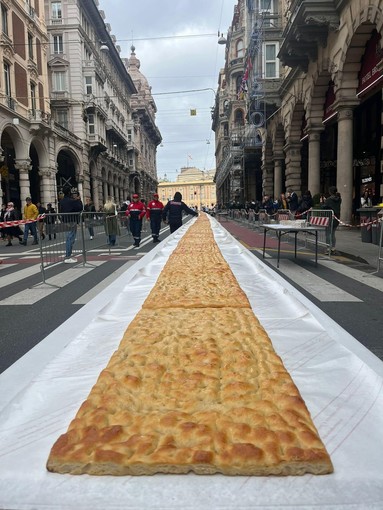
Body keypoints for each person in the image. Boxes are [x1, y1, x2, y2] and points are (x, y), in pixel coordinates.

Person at [58, 188, 83, 263]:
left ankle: (69, 254)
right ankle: (68, 255)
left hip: (65, 220)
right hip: (72, 220)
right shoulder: (72, 201)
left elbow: (60, 211)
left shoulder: (62, 201)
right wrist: (79, 200)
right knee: (71, 238)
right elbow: (80, 208)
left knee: (69, 237)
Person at [320, 186, 342, 254]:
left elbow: (323, 207)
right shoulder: (339, 199)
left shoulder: (329, 200)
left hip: (330, 218)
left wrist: (321, 202)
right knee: (333, 233)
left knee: (328, 233)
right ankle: (333, 248)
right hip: (336, 218)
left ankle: (328, 248)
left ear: (330, 192)